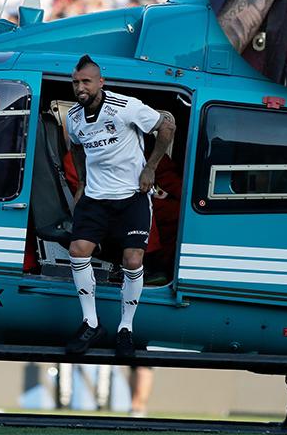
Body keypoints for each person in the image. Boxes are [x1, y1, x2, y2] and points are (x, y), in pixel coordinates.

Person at [64, 55, 176, 357]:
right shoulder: (73, 117)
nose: (80, 87)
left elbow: (167, 126)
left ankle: (126, 328)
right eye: (75, 82)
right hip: (95, 197)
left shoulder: (126, 106)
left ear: (101, 82)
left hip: (131, 197)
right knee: (78, 251)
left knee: (133, 260)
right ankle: (90, 322)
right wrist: (81, 183)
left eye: (86, 81)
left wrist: (150, 168)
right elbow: (76, 147)